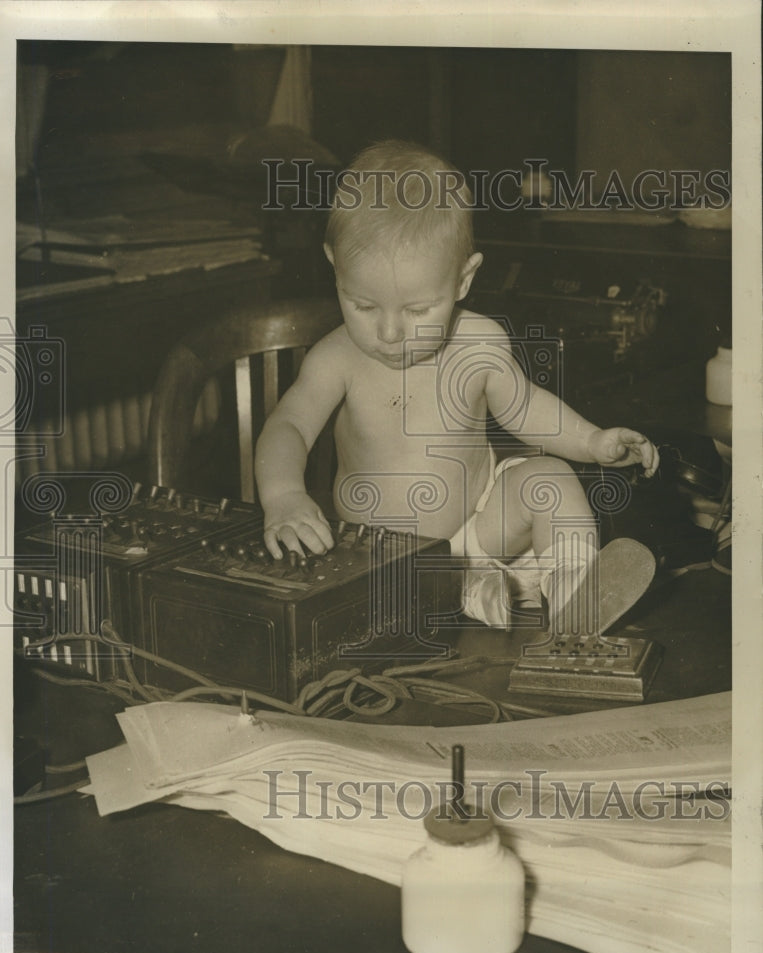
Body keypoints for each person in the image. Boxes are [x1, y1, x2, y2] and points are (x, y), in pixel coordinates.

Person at [254, 140, 659, 629]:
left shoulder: (480, 343)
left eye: (418, 310)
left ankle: (572, 583)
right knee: (415, 587)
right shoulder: (337, 358)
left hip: (479, 524)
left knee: (548, 478)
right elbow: (289, 426)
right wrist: (282, 496)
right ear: (333, 265)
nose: (388, 333)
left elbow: (527, 408)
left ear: (463, 281)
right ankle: (474, 588)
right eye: (362, 305)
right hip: (380, 556)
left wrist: (593, 441)